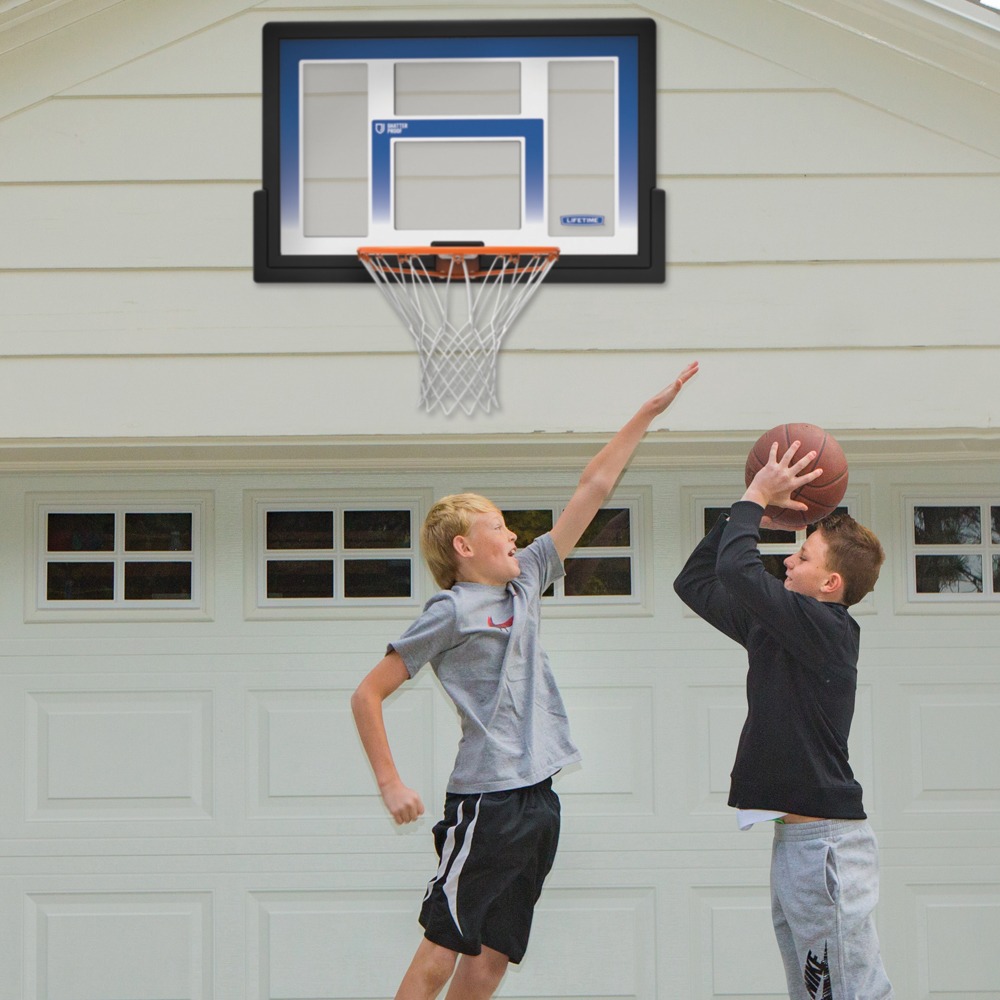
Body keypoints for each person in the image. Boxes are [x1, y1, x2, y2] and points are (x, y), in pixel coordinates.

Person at [351, 361, 698, 1000]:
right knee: (442, 947)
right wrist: (390, 781)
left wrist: (645, 415)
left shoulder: (527, 581)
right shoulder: (450, 611)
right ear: (462, 546)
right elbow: (366, 693)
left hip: (538, 800)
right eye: (497, 526)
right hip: (488, 800)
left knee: (492, 958)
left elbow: (593, 487)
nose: (513, 533)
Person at [673, 440, 892, 1000]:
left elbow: (739, 570)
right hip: (797, 845)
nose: (789, 559)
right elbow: (696, 582)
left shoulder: (827, 630)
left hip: (826, 848)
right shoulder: (780, 629)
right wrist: (748, 513)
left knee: (846, 991)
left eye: (803, 555)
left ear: (830, 585)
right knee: (817, 992)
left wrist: (756, 498)